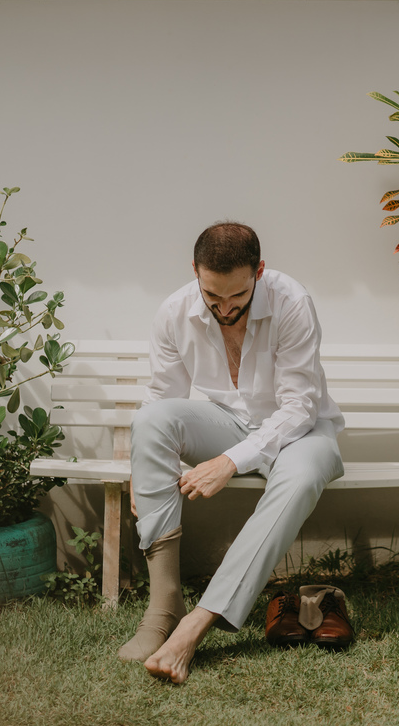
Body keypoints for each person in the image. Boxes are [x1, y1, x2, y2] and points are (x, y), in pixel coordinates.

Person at [119, 221, 345, 684]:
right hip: (229, 424)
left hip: (303, 432)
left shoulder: (292, 302)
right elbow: (162, 397)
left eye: (237, 296)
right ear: (195, 272)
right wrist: (138, 468)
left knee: (301, 476)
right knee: (151, 420)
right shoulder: (174, 311)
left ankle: (195, 625)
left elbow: (299, 407)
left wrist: (231, 461)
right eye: (212, 295)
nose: (224, 308)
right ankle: (163, 608)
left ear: (259, 272)